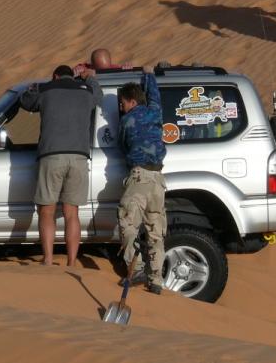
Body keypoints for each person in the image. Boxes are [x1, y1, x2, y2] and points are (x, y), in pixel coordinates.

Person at [19, 65, 103, 266]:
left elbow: (25, 101)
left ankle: (48, 259)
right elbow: (99, 96)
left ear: (55, 76)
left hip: (51, 155)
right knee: (71, 213)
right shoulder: (86, 92)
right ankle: (72, 262)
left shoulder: (47, 90)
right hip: (79, 157)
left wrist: (31, 87)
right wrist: (90, 78)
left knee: (46, 211)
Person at [117, 66, 167, 295]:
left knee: (127, 223)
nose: (121, 106)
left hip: (138, 178)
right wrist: (148, 76)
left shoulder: (127, 121)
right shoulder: (155, 113)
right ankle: (156, 279)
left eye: (123, 102)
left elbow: (122, 146)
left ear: (132, 102)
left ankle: (134, 268)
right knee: (155, 230)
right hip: (158, 179)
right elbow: (154, 96)